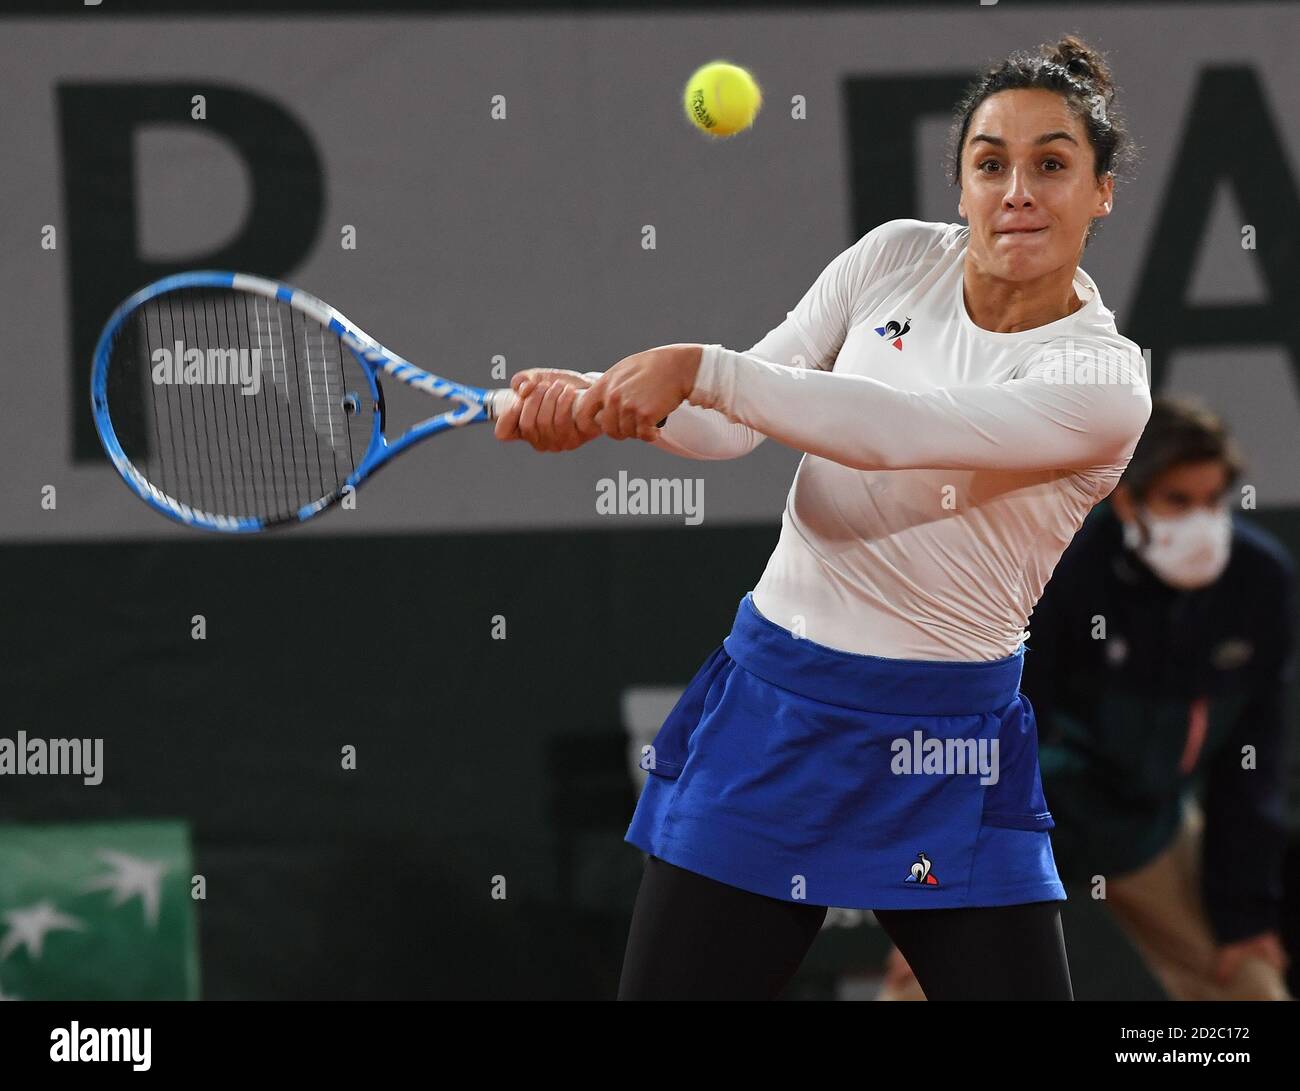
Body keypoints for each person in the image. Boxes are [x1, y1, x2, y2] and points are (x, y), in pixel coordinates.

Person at [496, 34, 1149, 1000]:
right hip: (775, 720)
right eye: (990, 163)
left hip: (946, 747)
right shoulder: (891, 258)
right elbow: (733, 427)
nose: (1018, 190)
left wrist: (702, 366)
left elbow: (895, 433)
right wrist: (603, 403)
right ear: (960, 184)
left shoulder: (1102, 380)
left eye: (1052, 164)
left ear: (1100, 191)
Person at [880, 396, 1294, 1000]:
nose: (1201, 522)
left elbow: (1251, 762)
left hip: (1147, 827)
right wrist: (935, 888)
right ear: (1125, 499)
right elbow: (986, 739)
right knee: (921, 981)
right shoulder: (1056, 566)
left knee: (1251, 984)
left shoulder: (1257, 582)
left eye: (1213, 501)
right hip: (1028, 821)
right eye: (1178, 500)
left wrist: (1246, 914)